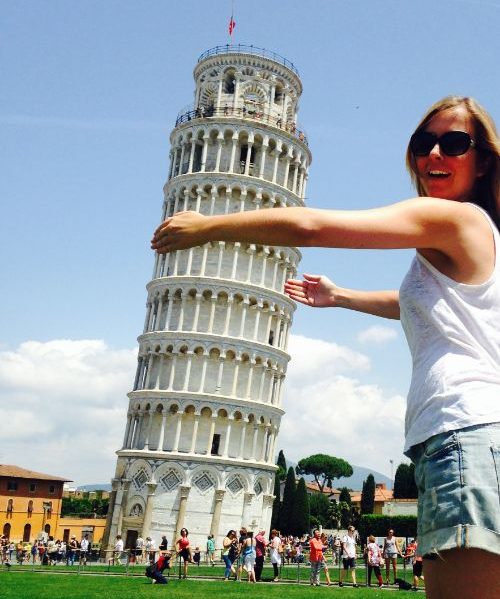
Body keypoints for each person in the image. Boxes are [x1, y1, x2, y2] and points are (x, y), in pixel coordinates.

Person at [151, 95, 500, 599]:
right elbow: (425, 307)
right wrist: (342, 297)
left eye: (455, 143)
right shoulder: (484, 233)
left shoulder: (449, 219)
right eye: (424, 143)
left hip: (463, 433)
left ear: (483, 158)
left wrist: (206, 227)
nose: (435, 156)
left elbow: (311, 227)